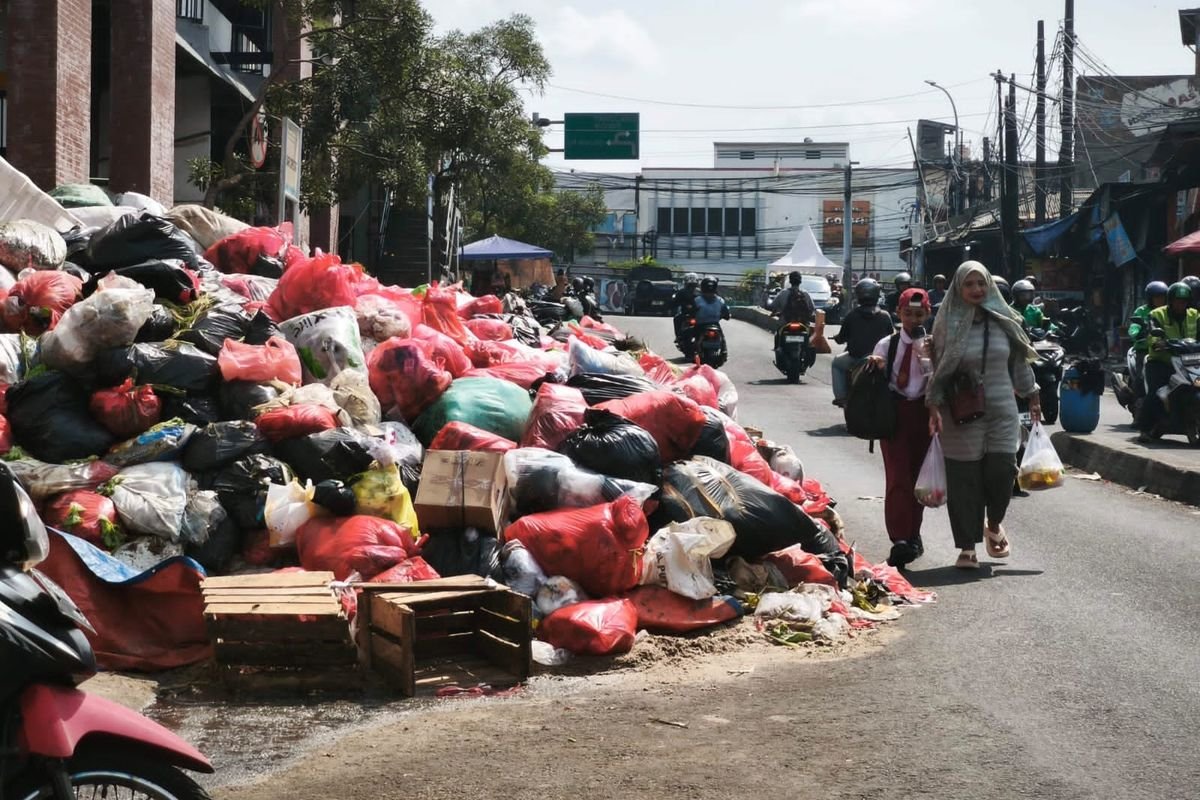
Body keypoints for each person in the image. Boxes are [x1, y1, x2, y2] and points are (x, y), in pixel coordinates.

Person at [927, 261, 1040, 570]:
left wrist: (1032, 395)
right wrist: (934, 406)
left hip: (1003, 408)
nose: (976, 289)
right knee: (964, 481)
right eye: (969, 284)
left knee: (1003, 472)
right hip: (961, 413)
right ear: (958, 288)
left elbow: (1019, 363)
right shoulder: (946, 322)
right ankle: (967, 547)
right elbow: (938, 370)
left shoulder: (1006, 319)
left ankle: (993, 523)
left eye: (981, 283)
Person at [865, 287, 933, 570]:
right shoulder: (887, 344)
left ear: (927, 314)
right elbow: (875, 370)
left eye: (919, 314)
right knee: (897, 478)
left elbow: (937, 378)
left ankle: (913, 533)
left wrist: (931, 356)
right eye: (908, 314)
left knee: (919, 481)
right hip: (895, 415)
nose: (914, 319)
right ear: (898, 314)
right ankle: (899, 539)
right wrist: (875, 365)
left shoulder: (932, 344)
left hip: (925, 412)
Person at [1139, 282, 1200, 441]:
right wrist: (1159, 342)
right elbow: (1153, 333)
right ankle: (1144, 429)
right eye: (1178, 301)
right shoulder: (1157, 314)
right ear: (1170, 301)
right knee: (1155, 392)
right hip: (1162, 361)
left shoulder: (1195, 315)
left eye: (1184, 301)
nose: (1181, 304)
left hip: (1189, 361)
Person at [831, 278, 894, 407]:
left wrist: (837, 338)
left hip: (856, 358)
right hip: (879, 360)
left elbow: (842, 337)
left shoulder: (852, 315)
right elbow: (891, 337)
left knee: (836, 363)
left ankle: (841, 397)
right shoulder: (885, 315)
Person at [1127, 281, 1170, 382]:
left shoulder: (1169, 311)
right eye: (1157, 297)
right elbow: (1134, 326)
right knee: (1141, 377)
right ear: (1150, 298)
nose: (1160, 300)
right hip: (1145, 348)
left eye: (1162, 297)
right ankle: (1140, 396)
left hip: (1165, 349)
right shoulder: (1141, 311)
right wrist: (1136, 333)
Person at [672, 272, 701, 339]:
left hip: (687, 314)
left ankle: (678, 336)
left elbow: (675, 302)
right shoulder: (700, 292)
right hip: (697, 315)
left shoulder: (682, 291)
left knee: (676, 319)